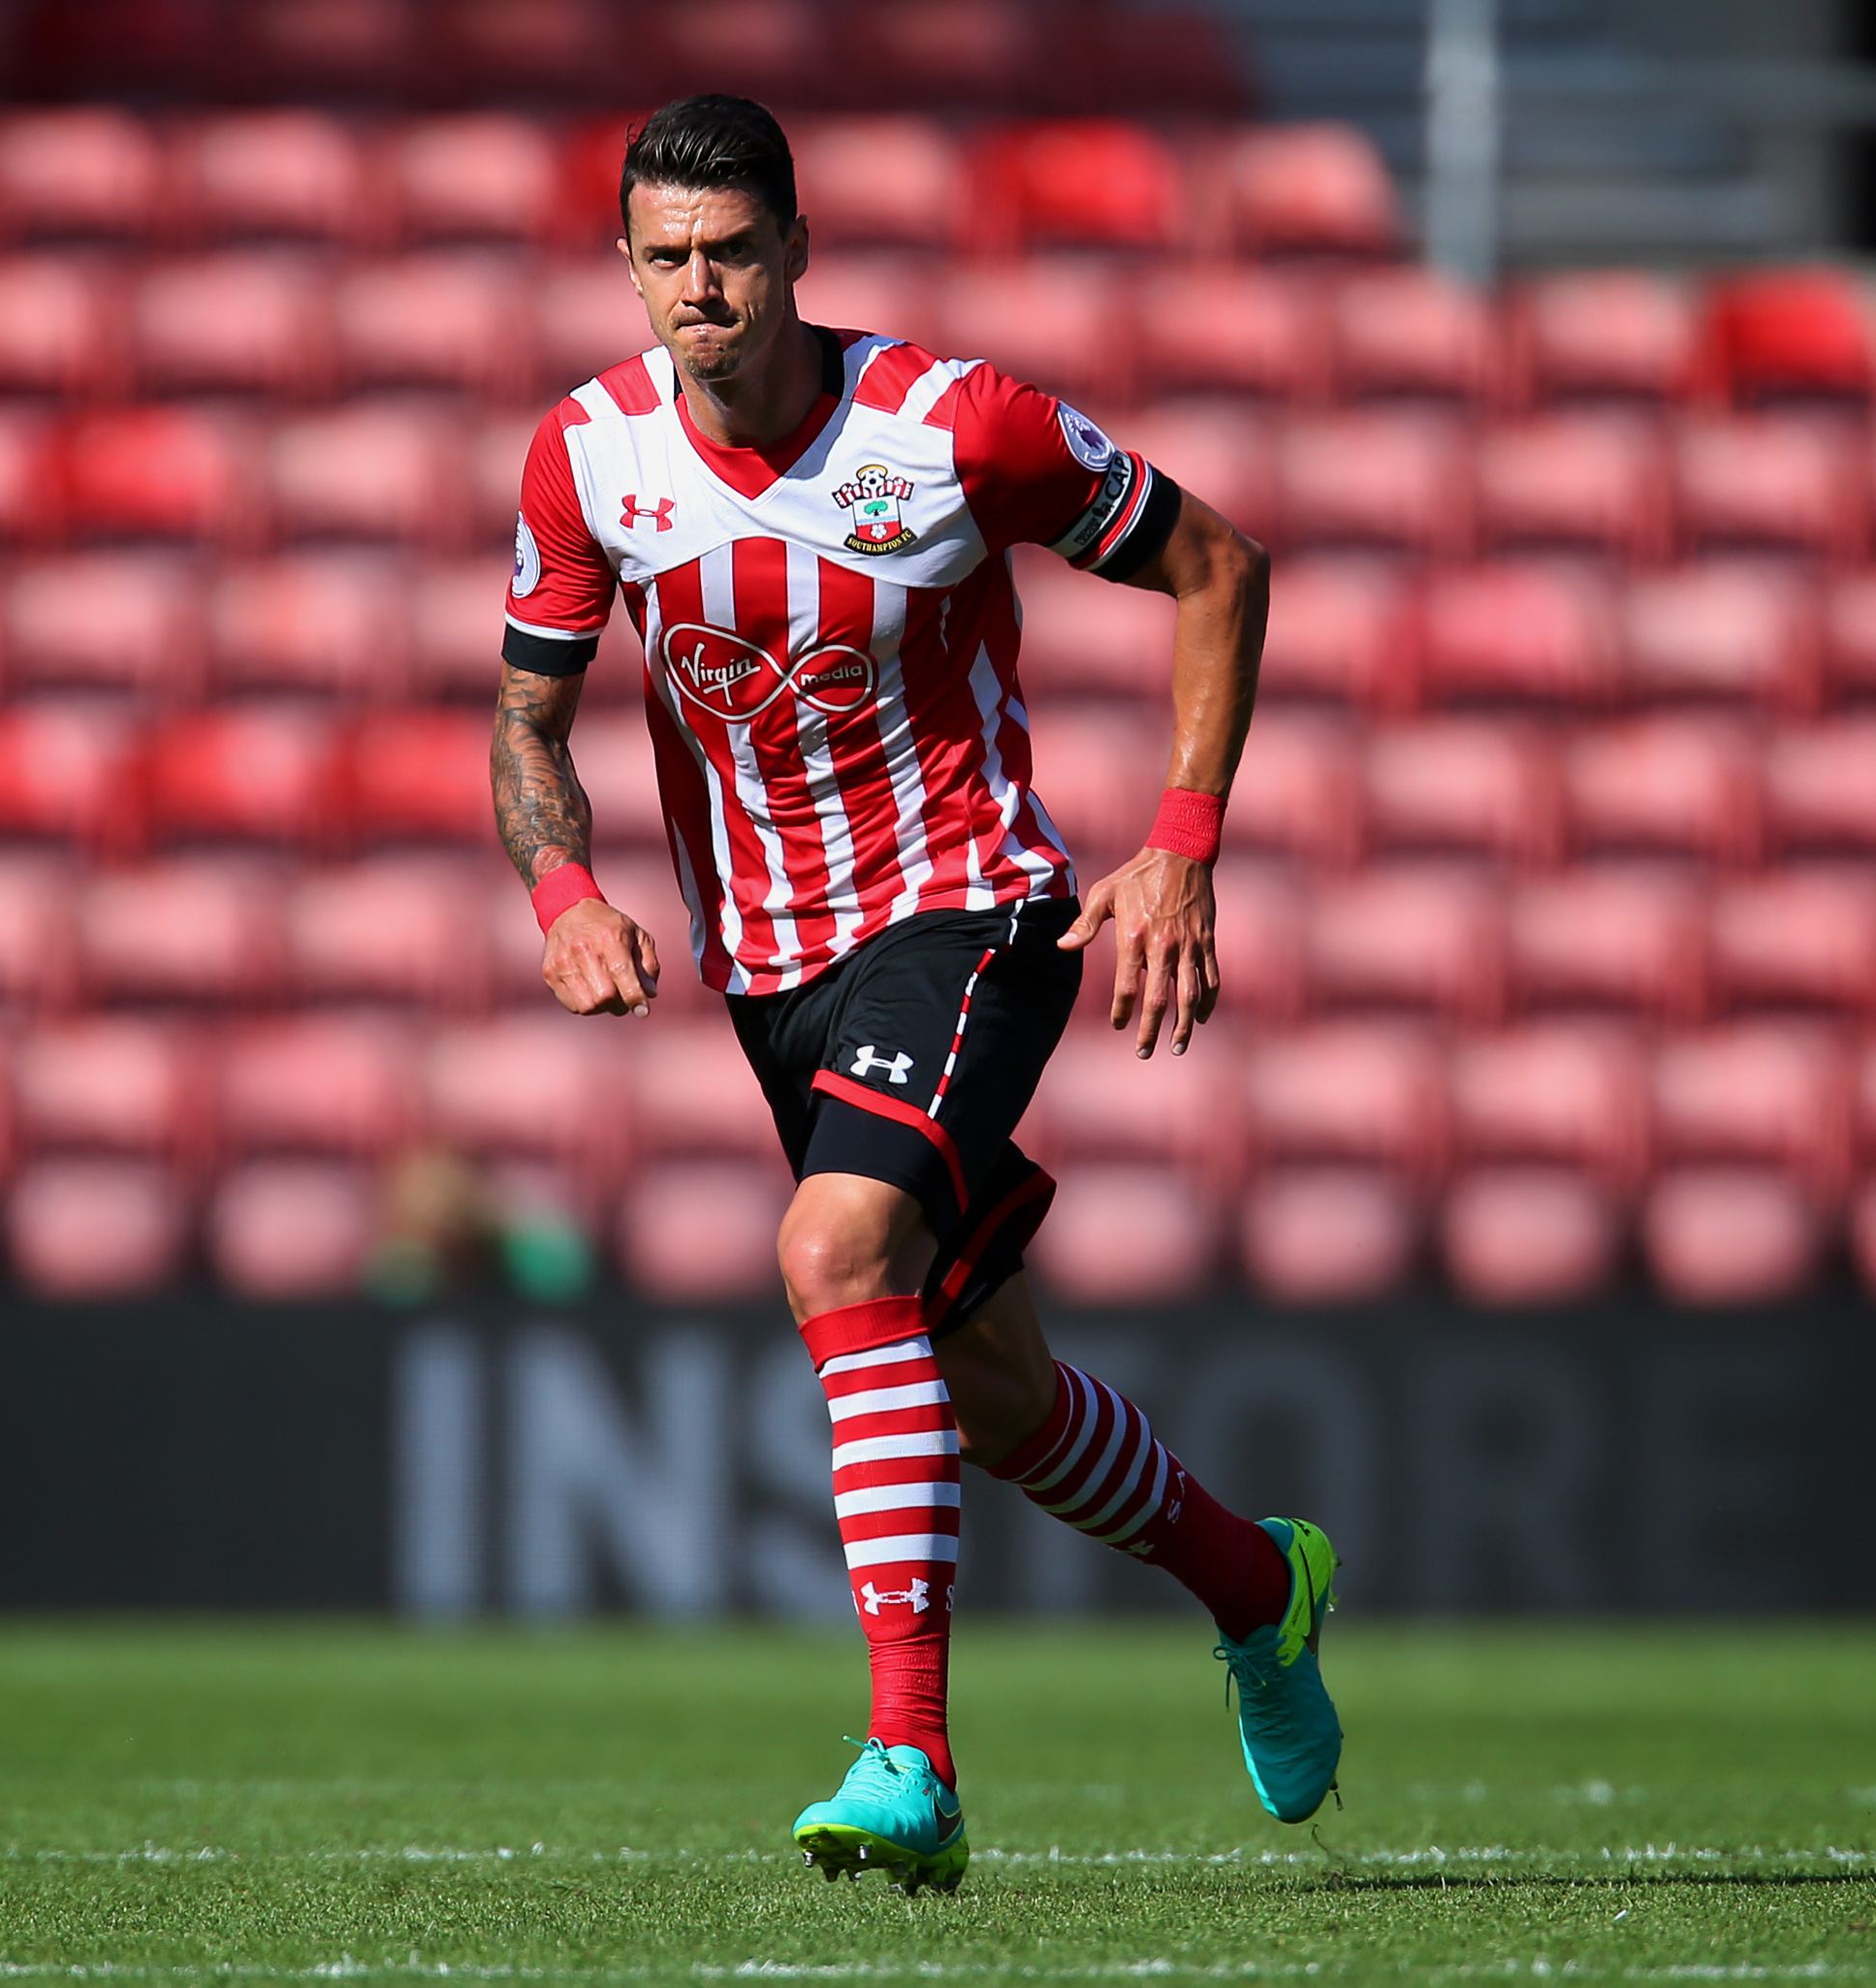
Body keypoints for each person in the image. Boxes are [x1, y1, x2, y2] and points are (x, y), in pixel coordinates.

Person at [487, 94, 1339, 1893]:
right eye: (666, 258)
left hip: (971, 912)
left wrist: (1182, 841)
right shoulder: (587, 460)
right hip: (768, 971)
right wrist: (562, 887)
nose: (699, 289)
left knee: (833, 1251)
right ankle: (1263, 1589)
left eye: (730, 253)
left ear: (796, 249)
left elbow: (1218, 567)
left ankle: (910, 1757)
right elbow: (527, 723)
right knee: (1001, 1392)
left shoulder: (956, 430)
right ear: (628, 266)